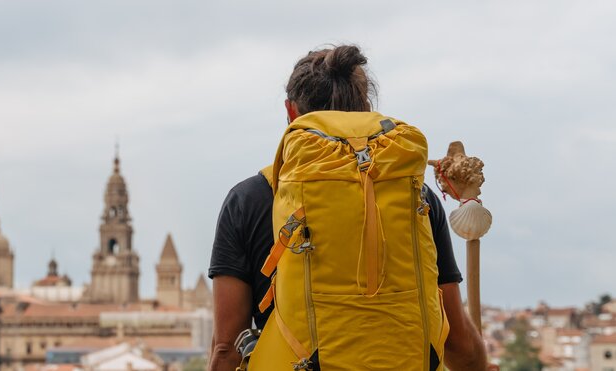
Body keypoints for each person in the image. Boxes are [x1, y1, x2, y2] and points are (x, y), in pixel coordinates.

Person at [207, 44, 490, 370]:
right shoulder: (416, 194)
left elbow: (227, 349)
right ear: (367, 108)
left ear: (291, 112)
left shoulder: (249, 200)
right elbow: (459, 344)